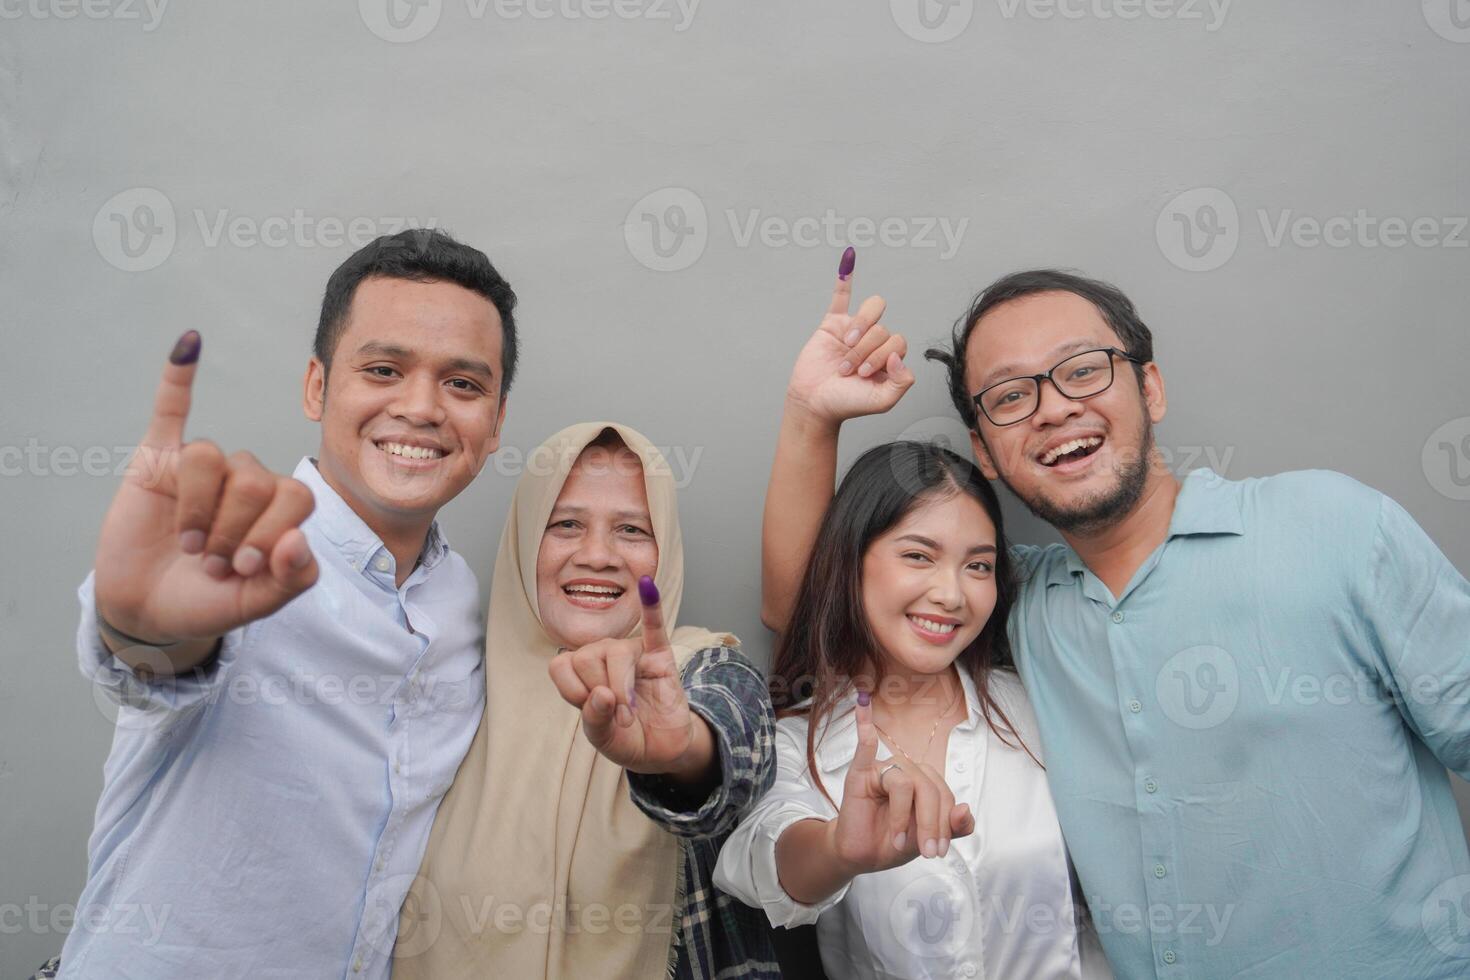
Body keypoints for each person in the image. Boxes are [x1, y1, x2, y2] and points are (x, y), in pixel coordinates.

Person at [763, 252, 1470, 977]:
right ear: (987, 452)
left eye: (1083, 369)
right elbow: (817, 602)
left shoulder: (1335, 527)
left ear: (1151, 387)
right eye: (1010, 395)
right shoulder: (1010, 600)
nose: (1054, 407)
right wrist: (811, 415)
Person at [56, 229, 517, 979]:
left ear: (495, 423)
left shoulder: (465, 604)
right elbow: (148, 659)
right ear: (316, 386)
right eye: (383, 368)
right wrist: (142, 630)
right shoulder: (235, 556)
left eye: (463, 385)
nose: (422, 406)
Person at [392, 423, 781, 980]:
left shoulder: (700, 666)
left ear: (664, 549)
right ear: (526, 539)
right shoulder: (444, 690)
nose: (598, 555)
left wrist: (680, 754)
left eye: (631, 529)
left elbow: (739, 743)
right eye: (566, 524)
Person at [715, 437, 1112, 979]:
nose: (951, 594)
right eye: (918, 556)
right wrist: (839, 850)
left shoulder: (1034, 707)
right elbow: (768, 862)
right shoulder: (793, 741)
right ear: (850, 561)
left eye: (977, 566)